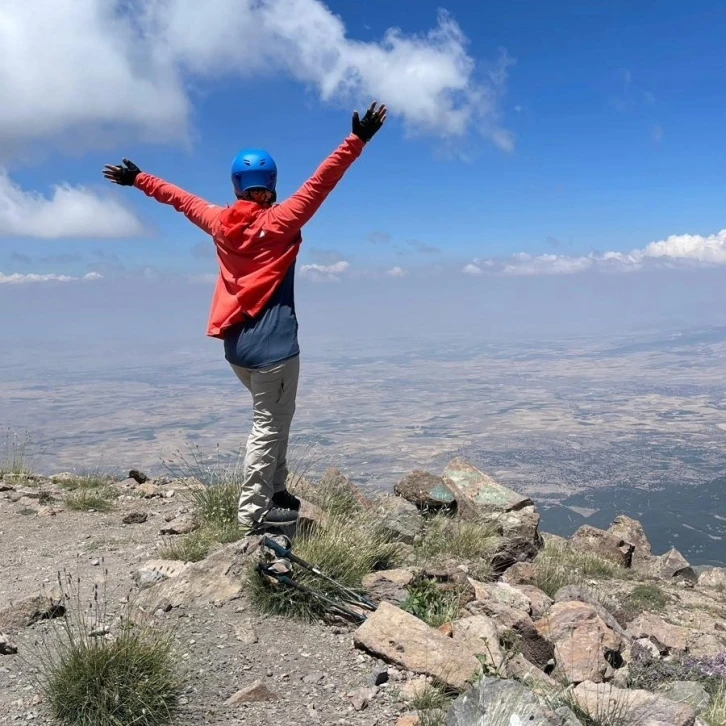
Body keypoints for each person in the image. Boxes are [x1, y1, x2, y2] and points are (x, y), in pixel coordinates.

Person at [103, 101, 387, 533]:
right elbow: (321, 182)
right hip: (274, 349)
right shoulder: (281, 221)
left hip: (237, 348)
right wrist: (358, 139)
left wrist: (139, 179)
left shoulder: (218, 221)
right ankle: (253, 513)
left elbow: (179, 200)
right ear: (271, 184)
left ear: (237, 185)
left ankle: (276, 489)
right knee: (269, 424)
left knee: (278, 416)